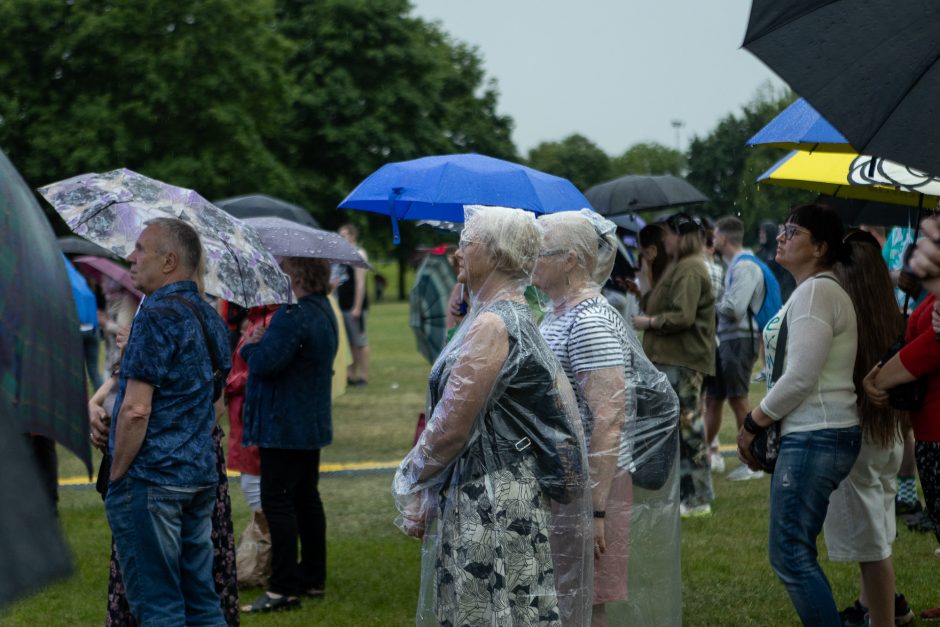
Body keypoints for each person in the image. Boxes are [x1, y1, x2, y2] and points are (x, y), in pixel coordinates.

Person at [392, 205, 592, 626]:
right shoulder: (501, 315)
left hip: (490, 498)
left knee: (487, 611)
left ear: (497, 254)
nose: (458, 250)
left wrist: (411, 478)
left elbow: (451, 428)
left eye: (469, 241)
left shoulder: (494, 326)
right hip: (498, 488)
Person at [534, 209, 681, 626]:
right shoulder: (560, 312)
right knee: (567, 597)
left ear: (571, 261)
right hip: (569, 479)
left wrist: (595, 512)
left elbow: (609, 418)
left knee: (586, 601)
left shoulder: (589, 321)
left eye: (541, 253)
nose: (532, 261)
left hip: (592, 483)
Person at [102, 218, 232, 626]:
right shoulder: (210, 317)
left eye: (141, 249)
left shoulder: (155, 315)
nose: (131, 257)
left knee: (158, 604)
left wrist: (119, 475)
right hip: (199, 476)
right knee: (201, 599)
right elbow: (216, 405)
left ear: (170, 260)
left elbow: (136, 409)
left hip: (153, 478)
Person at [737, 204, 860, 626]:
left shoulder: (815, 292)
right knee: (793, 552)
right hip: (820, 432)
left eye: (794, 231)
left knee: (790, 554)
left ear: (821, 247)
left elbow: (800, 378)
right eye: (783, 229)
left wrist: (753, 421)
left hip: (816, 433)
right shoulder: (813, 290)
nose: (782, 236)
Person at [824, 232, 913, 627]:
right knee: (878, 530)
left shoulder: (845, 318)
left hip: (858, 437)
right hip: (888, 436)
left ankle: (883, 618)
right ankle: (878, 606)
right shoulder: (890, 314)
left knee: (872, 545)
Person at [240, 256, 339, 613]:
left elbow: (266, 363)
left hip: (283, 423)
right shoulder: (324, 309)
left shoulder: (293, 314)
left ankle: (283, 588)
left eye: (282, 268)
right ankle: (311, 576)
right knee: (306, 499)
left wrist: (251, 344)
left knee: (279, 501)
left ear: (295, 275)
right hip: (308, 421)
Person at [864, 241, 940, 621]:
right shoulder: (929, 296)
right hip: (928, 424)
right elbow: (912, 340)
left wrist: (880, 380)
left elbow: (928, 350)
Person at [633, 213, 716, 517]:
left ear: (681, 236)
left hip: (683, 359)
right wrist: (644, 280)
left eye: (668, 234)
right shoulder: (680, 267)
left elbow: (683, 316)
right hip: (671, 358)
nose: (664, 240)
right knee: (678, 430)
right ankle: (685, 493)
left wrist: (649, 322)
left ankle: (698, 498)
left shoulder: (691, 269)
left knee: (689, 429)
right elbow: (656, 303)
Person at [706, 216, 767, 481]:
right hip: (729, 339)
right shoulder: (734, 265)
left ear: (724, 238)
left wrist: (710, 303)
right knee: (716, 398)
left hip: (740, 339)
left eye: (716, 234)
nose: (713, 238)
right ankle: (703, 456)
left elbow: (734, 308)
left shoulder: (745, 266)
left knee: (738, 397)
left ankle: (754, 460)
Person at [337, 223, 369, 386]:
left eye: (344, 235)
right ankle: (350, 375)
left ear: (353, 236)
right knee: (348, 343)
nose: (341, 238)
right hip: (342, 304)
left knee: (360, 342)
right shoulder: (342, 256)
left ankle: (363, 376)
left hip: (355, 306)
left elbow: (360, 283)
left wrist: (357, 307)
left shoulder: (359, 254)